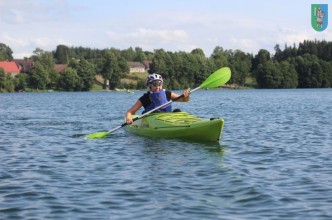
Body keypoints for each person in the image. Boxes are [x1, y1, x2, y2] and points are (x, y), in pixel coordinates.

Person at [125, 73, 190, 124]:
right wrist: (128, 118)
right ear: (149, 86)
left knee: (178, 111)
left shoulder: (167, 93)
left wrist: (186, 96)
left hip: (167, 119)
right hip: (152, 122)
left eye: (159, 84)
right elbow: (130, 112)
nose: (157, 87)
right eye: (154, 84)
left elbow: (184, 100)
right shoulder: (144, 98)